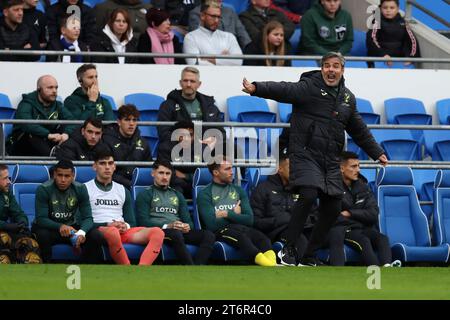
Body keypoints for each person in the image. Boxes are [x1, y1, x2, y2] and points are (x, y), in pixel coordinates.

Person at [242, 51, 388, 266]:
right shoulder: (309, 87)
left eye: (335, 66)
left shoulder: (347, 98)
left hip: (330, 160)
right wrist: (257, 88)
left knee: (333, 207)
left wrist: (377, 152)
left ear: (342, 70)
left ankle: (310, 254)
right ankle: (288, 249)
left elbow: (359, 129)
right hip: (305, 154)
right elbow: (284, 89)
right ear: (322, 68)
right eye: (327, 65)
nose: (331, 70)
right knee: (309, 194)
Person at [86, 150, 164, 265]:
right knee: (113, 232)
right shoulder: (85, 188)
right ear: (94, 166)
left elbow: (131, 222)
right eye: (102, 163)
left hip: (122, 231)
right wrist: (108, 224)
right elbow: (82, 220)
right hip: (101, 230)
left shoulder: (122, 190)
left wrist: (124, 225)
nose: (107, 167)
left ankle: (142, 269)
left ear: (114, 167)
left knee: (158, 232)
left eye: (110, 163)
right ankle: (127, 268)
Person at [197, 156, 277, 267]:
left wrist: (227, 214)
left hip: (241, 227)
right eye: (227, 169)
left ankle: (273, 264)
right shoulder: (204, 193)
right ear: (215, 172)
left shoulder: (238, 190)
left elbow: (249, 220)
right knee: (242, 239)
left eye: (232, 168)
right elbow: (212, 225)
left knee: (263, 239)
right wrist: (236, 215)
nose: (232, 172)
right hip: (221, 231)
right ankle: (269, 265)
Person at [327, 151, 400, 267]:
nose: (358, 170)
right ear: (342, 168)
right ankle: (377, 271)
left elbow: (373, 213)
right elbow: (335, 217)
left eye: (359, 166)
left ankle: (387, 267)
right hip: (346, 231)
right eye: (353, 166)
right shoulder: (332, 187)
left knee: (383, 239)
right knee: (364, 240)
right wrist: (360, 215)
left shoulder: (363, 187)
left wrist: (350, 213)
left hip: (362, 227)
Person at [136, 159, 215, 265]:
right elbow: (143, 222)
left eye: (168, 173)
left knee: (208, 235)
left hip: (178, 231)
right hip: (160, 232)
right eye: (161, 173)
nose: (164, 177)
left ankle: (198, 265)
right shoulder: (145, 194)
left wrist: (186, 226)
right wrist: (168, 226)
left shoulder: (177, 195)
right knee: (175, 234)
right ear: (153, 173)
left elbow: (189, 222)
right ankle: (190, 267)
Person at [32, 160, 104, 263]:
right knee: (43, 234)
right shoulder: (44, 189)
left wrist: (81, 232)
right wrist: (60, 226)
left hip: (71, 228)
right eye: (60, 175)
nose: (63, 179)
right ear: (54, 175)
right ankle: (46, 268)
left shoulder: (80, 188)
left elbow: (88, 218)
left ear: (73, 176)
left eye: (67, 176)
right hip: (50, 229)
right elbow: (41, 219)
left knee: (96, 235)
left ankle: (87, 268)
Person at [250, 147, 316, 258]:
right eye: (291, 167)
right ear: (280, 169)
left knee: (324, 233)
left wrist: (304, 220)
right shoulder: (262, 189)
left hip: (304, 227)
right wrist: (280, 220)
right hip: (276, 232)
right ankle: (307, 266)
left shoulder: (302, 189)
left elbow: (315, 213)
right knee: (298, 237)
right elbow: (255, 221)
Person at [157, 67, 224, 163]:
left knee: (231, 148)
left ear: (199, 84)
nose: (188, 84)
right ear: (180, 83)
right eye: (185, 80)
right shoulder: (168, 105)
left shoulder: (210, 106)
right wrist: (181, 138)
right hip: (179, 148)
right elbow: (163, 132)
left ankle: (238, 177)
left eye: (192, 81)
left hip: (205, 147)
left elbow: (221, 132)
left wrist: (214, 138)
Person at [8, 75, 74, 156]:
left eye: (56, 88)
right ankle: (54, 156)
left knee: (68, 128)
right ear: (39, 89)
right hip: (22, 144)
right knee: (31, 132)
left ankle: (69, 156)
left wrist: (66, 134)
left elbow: (72, 120)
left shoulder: (58, 105)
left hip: (46, 142)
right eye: (50, 87)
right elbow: (27, 124)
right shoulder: (26, 103)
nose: (54, 91)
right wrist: (48, 135)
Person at [159, 120, 216, 198]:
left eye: (190, 135)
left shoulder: (202, 149)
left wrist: (185, 176)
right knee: (176, 189)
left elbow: (207, 174)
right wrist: (186, 182)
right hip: (175, 185)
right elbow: (164, 173)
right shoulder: (165, 148)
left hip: (195, 184)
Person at [0, 164, 42, 264]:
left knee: (30, 244)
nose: (9, 182)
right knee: (3, 239)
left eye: (9, 178)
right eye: (5, 179)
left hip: (6, 231)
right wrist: (7, 226)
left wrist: (22, 223)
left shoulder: (6, 193)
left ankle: (29, 273)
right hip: (3, 232)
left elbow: (18, 212)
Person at [103, 104, 151, 189]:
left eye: (134, 120)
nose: (131, 123)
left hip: (136, 185)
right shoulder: (107, 140)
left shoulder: (143, 143)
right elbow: (106, 170)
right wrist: (128, 183)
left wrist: (136, 182)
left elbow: (148, 169)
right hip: (113, 186)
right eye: (127, 120)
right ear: (119, 122)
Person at [183, 1, 243, 66]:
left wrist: (212, 59)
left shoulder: (229, 37)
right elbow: (194, 63)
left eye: (218, 17)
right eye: (213, 16)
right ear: (202, 16)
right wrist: (223, 60)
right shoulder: (191, 37)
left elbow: (238, 61)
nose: (216, 20)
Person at [366, 0, 420, 67]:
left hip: (398, 62)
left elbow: (413, 41)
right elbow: (371, 39)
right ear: (380, 8)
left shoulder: (402, 23)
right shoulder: (377, 21)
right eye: (385, 8)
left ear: (397, 9)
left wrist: (411, 58)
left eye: (392, 8)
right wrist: (383, 55)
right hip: (379, 61)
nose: (388, 10)